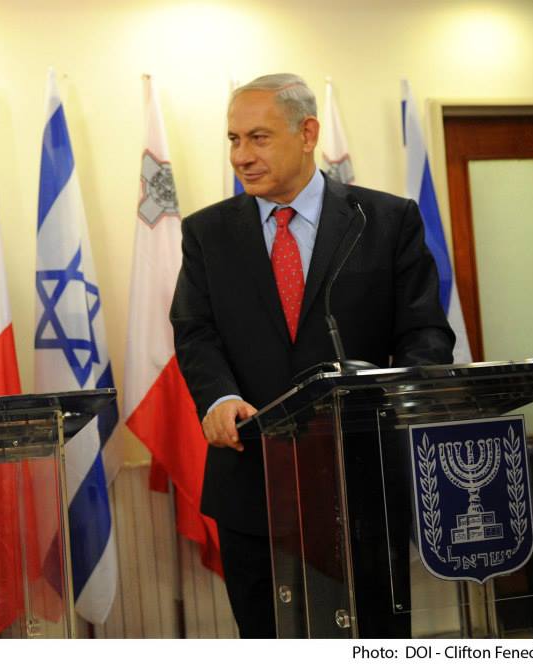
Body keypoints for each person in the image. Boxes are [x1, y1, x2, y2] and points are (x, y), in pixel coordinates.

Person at [170, 73, 454, 638]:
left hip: (361, 477)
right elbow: (195, 330)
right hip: (252, 479)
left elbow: (424, 333)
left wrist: (400, 398)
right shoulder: (208, 232)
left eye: (257, 138)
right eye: (233, 140)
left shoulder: (385, 220)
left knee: (371, 637)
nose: (241, 157)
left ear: (308, 133)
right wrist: (219, 396)